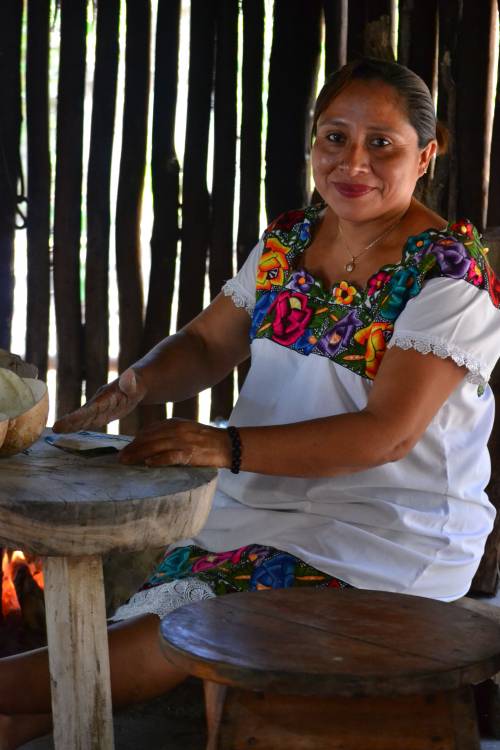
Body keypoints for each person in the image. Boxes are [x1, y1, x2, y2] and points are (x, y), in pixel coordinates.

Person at [1, 56, 500, 748]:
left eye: (382, 143)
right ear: (313, 143)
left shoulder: (447, 275)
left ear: (426, 156)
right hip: (263, 506)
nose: (353, 161)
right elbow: (208, 345)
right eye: (335, 137)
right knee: (126, 649)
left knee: (161, 642)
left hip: (387, 534)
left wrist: (226, 447)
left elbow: (386, 435)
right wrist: (138, 383)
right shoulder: (288, 244)